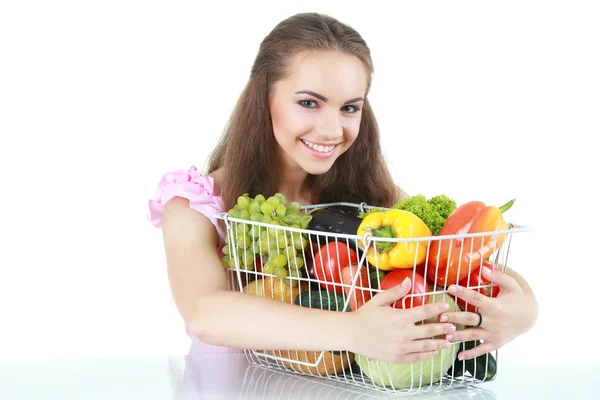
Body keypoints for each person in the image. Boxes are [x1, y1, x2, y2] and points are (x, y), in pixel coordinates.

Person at [148, 12, 538, 364]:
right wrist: (352, 332)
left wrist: (524, 312)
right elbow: (204, 314)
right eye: (309, 103)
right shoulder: (194, 204)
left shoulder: (372, 199)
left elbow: (449, 254)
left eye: (350, 108)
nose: (333, 130)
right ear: (263, 98)